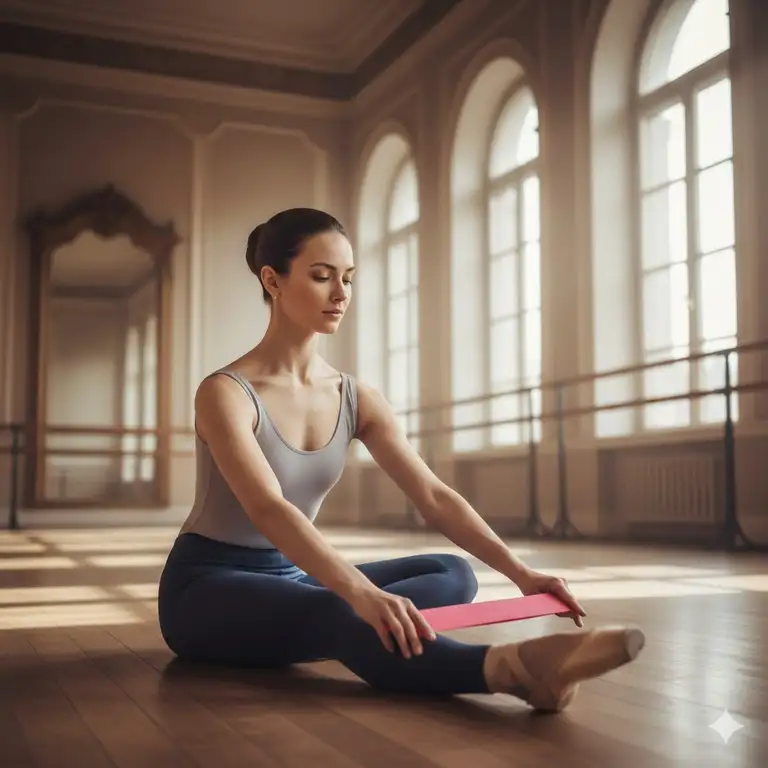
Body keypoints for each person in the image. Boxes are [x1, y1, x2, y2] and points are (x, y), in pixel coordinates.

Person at [157, 207, 644, 713]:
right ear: (272, 280)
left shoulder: (354, 396)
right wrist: (362, 595)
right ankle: (512, 669)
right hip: (207, 589)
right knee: (350, 609)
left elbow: (433, 496)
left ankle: (347, 625)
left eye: (347, 278)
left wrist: (521, 573)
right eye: (322, 277)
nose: (340, 293)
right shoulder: (225, 393)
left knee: (452, 572)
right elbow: (268, 508)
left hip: (296, 577)